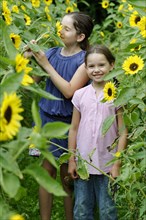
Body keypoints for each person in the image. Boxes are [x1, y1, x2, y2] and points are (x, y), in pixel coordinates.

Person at [24, 11, 94, 220]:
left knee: (67, 177)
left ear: (80, 36)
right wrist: (27, 59)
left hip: (68, 124)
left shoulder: (84, 61)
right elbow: (30, 85)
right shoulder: (52, 53)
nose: (59, 31)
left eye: (66, 28)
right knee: (46, 172)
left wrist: (45, 63)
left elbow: (69, 91)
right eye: (60, 26)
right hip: (46, 120)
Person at [68, 45, 128, 220]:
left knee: (108, 210)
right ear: (85, 68)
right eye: (91, 66)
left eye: (101, 65)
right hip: (83, 164)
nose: (96, 70)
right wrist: (72, 159)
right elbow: (74, 128)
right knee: (81, 209)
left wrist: (117, 164)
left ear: (112, 65)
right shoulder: (80, 95)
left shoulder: (118, 95)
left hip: (108, 164)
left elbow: (123, 131)